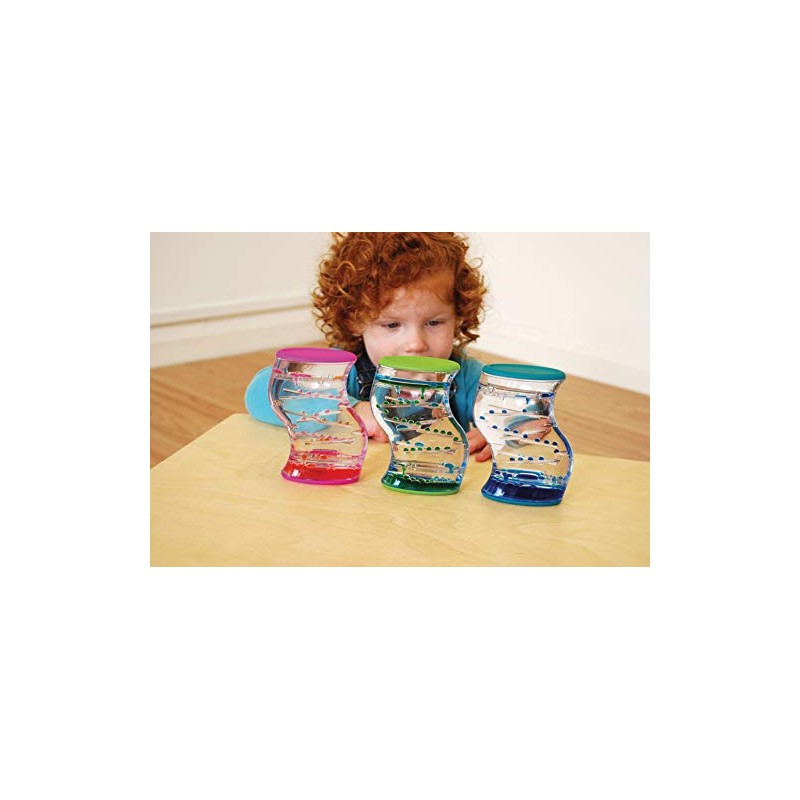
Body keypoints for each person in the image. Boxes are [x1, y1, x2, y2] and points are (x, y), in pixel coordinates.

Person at [245, 232, 493, 461]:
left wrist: (499, 432)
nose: (416, 344)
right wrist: (348, 408)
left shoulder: (466, 376)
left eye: (434, 322)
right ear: (354, 321)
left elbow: (512, 411)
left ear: (458, 316)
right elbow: (261, 390)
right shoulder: (346, 372)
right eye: (392, 325)